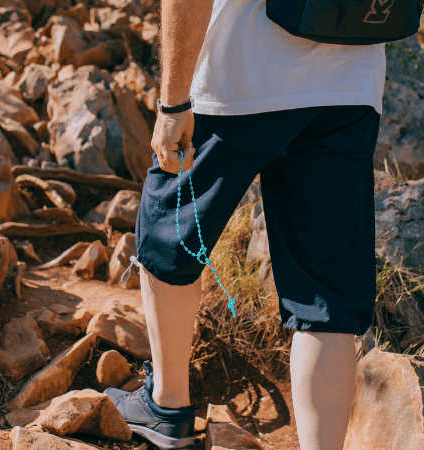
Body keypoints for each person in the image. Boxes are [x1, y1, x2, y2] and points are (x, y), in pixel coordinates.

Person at [104, 0, 385, 447]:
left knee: (169, 230)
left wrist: (173, 104)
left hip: (238, 76)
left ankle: (167, 407)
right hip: (350, 85)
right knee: (326, 296)